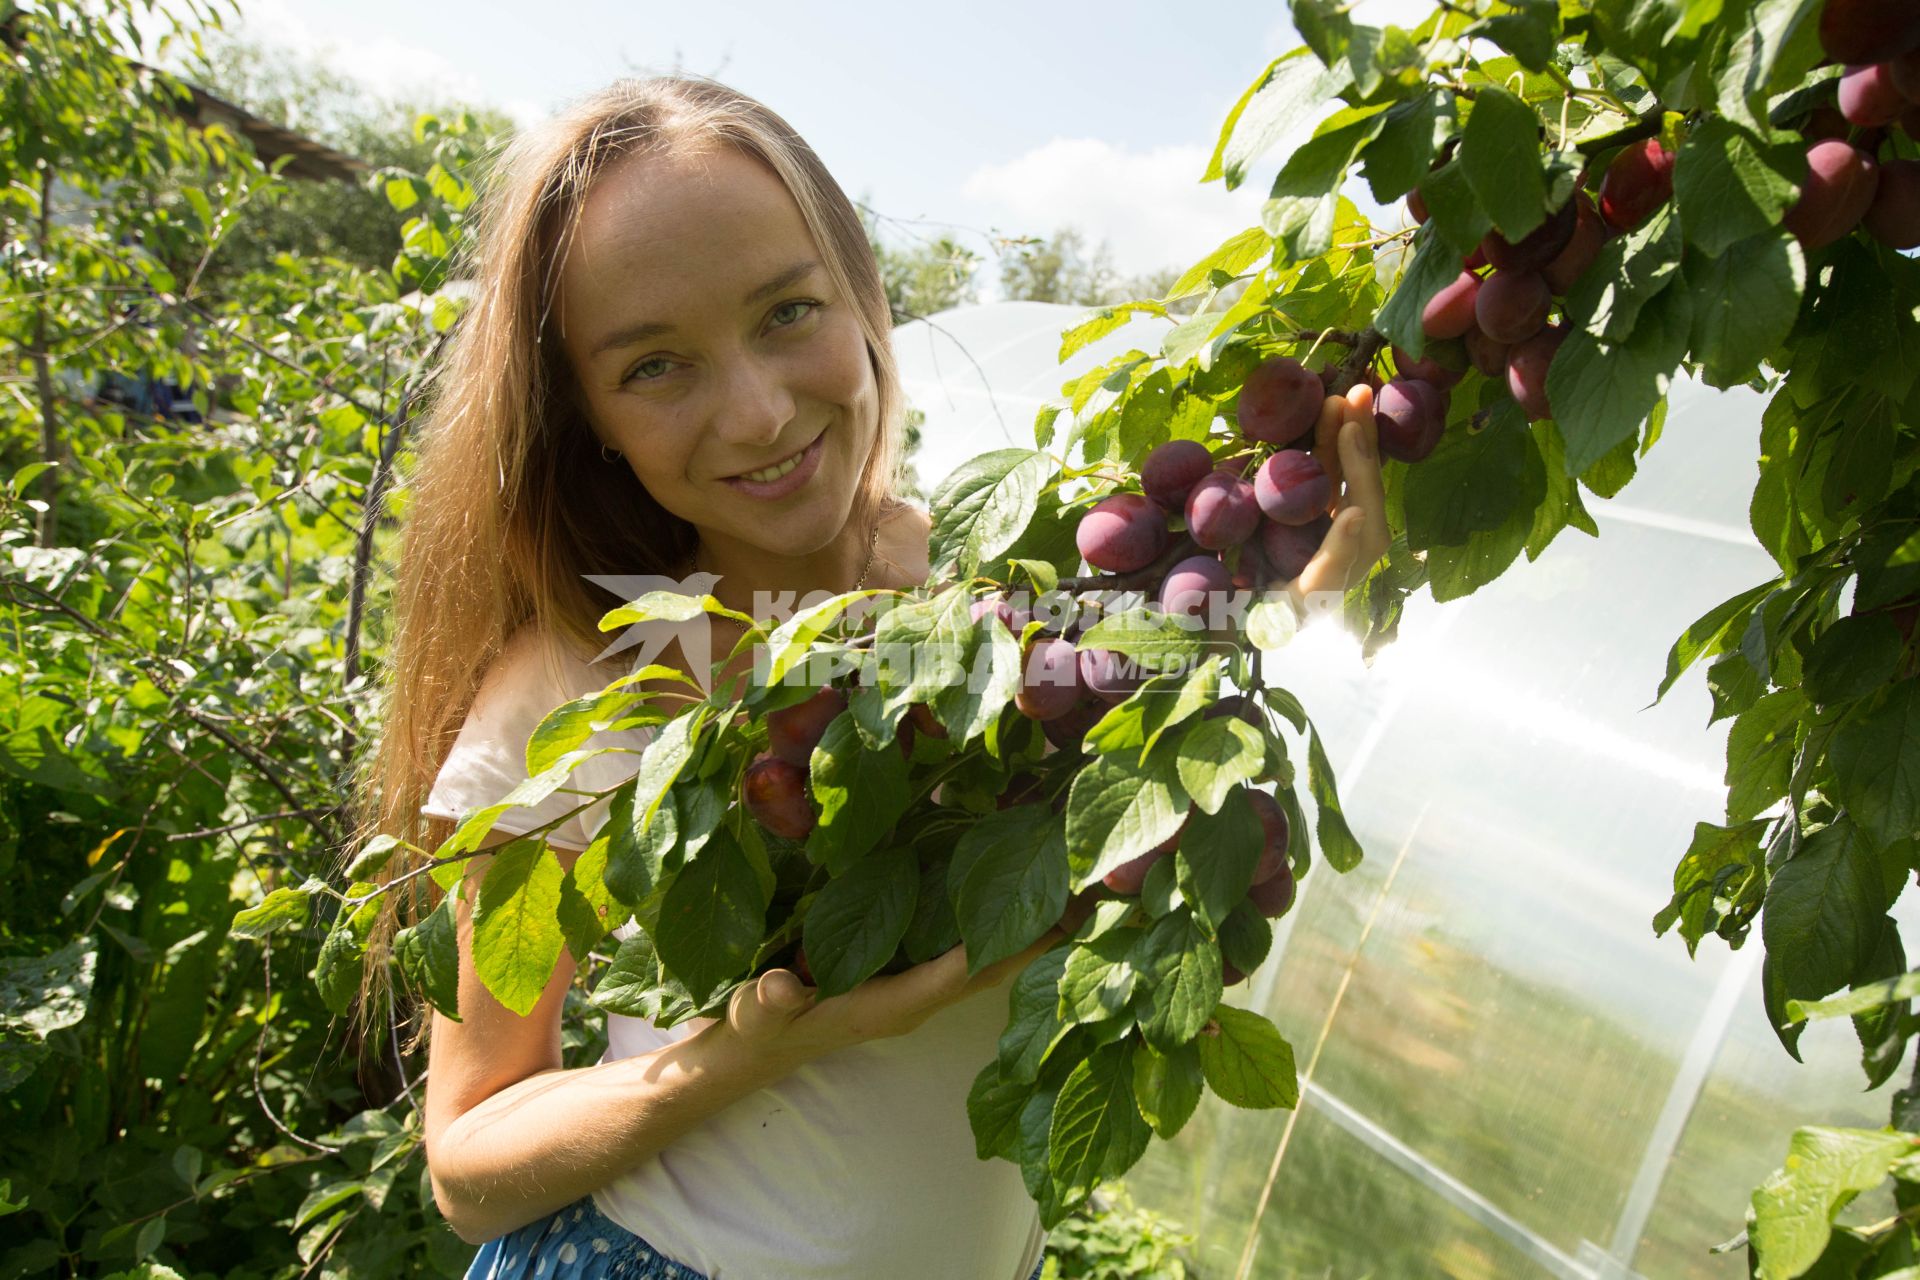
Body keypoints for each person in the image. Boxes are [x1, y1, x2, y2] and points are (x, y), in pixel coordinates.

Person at [352, 75, 1389, 1280]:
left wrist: (1302, 595)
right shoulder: (590, 685)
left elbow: (1131, 782)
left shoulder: (1003, 589)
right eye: (653, 367)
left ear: (863, 297)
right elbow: (469, 1160)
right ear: (587, 415)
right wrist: (757, 1048)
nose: (755, 411)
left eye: (787, 310)